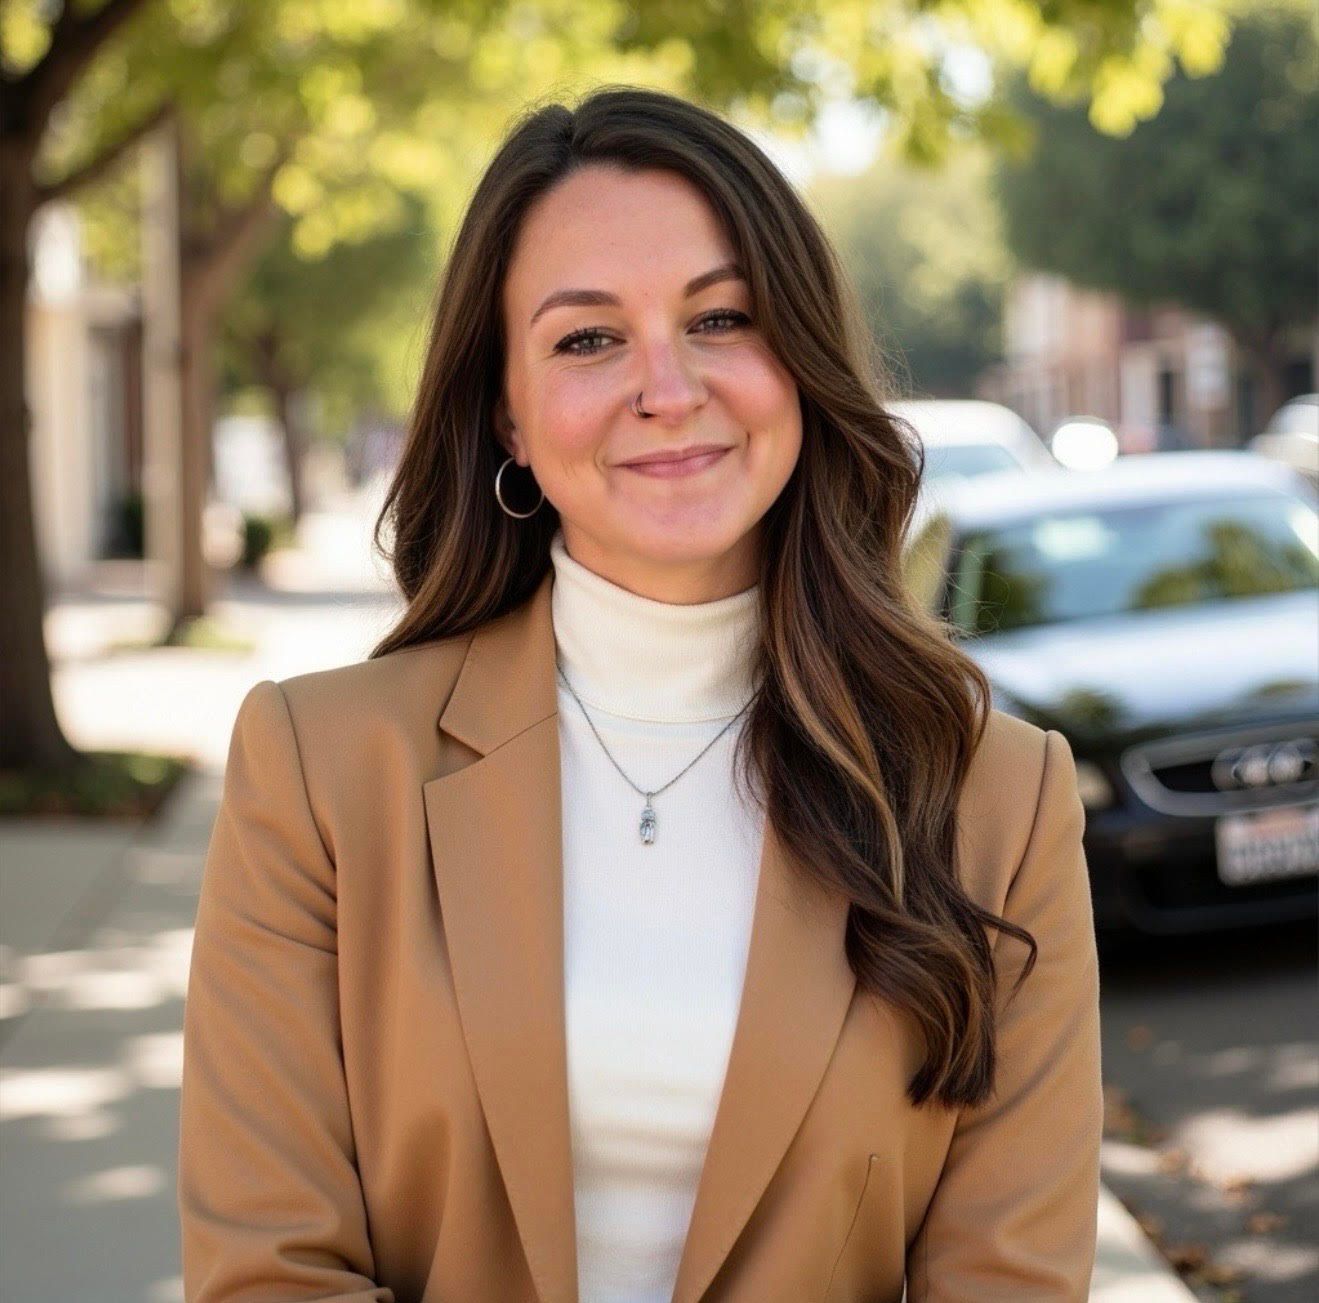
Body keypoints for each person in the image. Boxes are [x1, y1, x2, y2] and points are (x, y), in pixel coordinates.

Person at [177, 85, 1102, 1303]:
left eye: (720, 318)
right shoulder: (319, 771)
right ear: (505, 412)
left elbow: (1010, 1281)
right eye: (586, 338)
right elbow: (265, 1272)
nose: (667, 386)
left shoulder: (996, 795)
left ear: (800, 361)